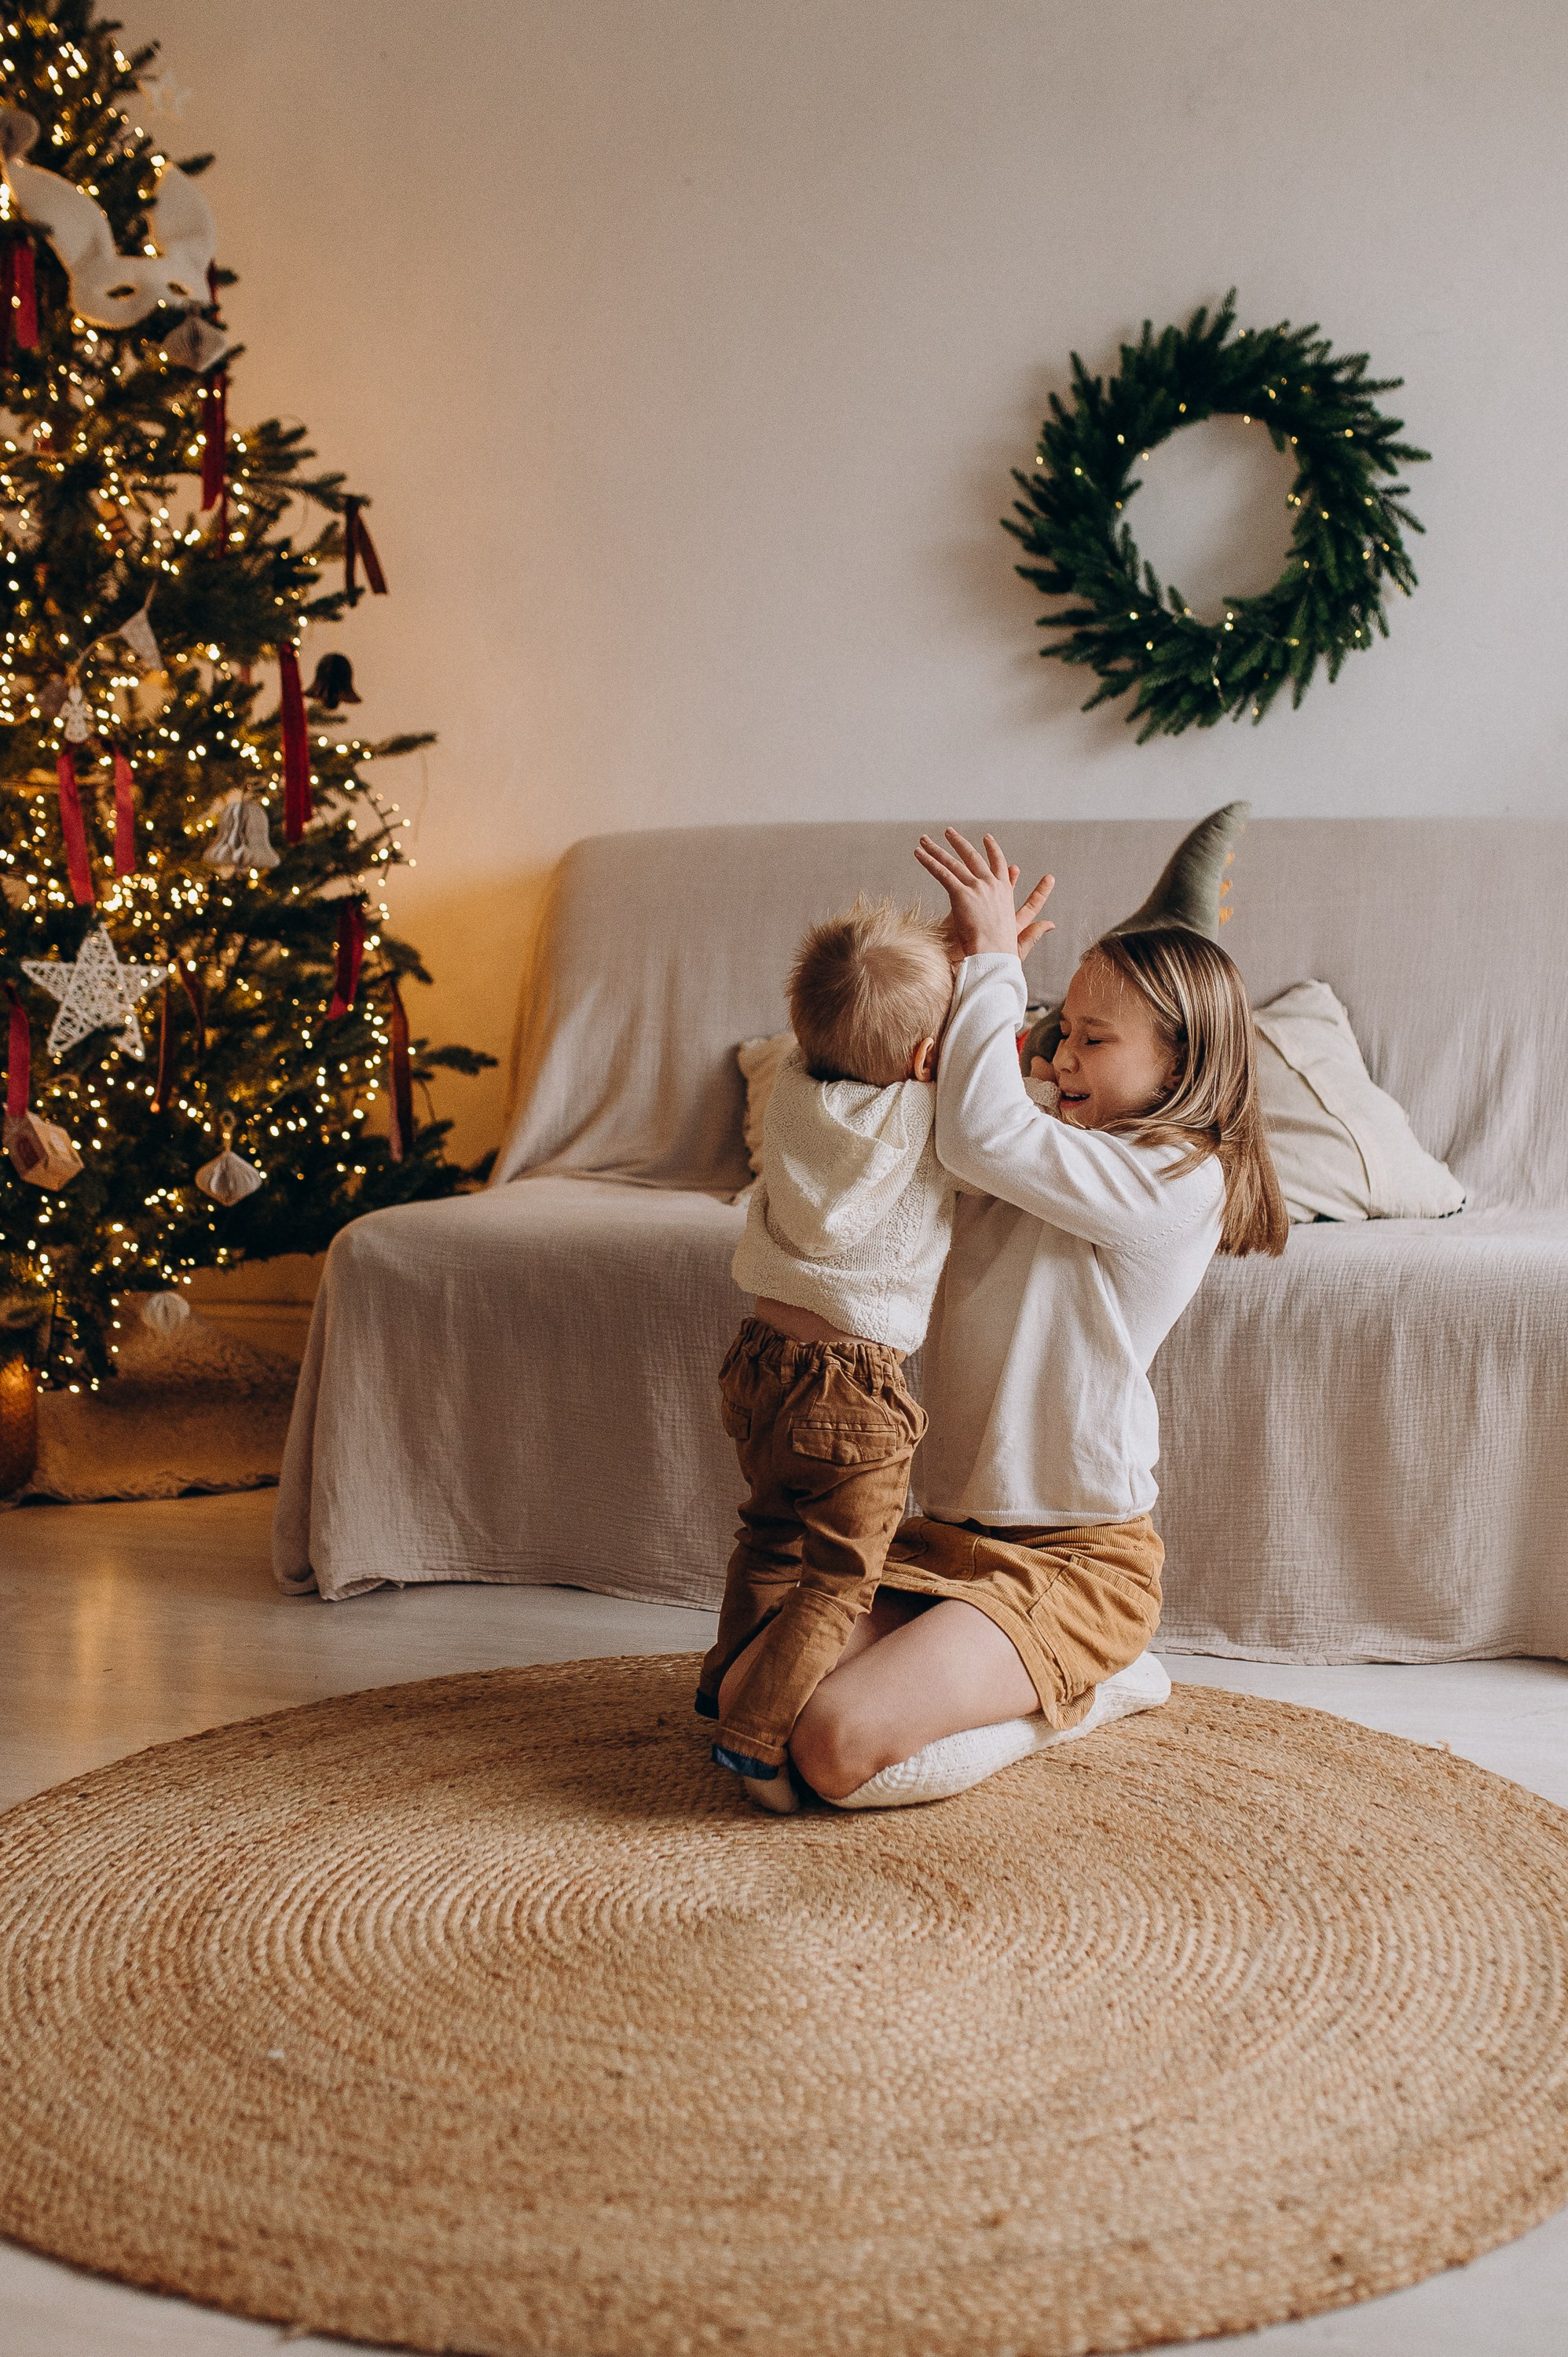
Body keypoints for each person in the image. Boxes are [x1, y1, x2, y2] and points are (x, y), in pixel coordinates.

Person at [786, 826, 1288, 1810]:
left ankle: (1094, 1688)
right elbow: (898, 1088)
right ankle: (1027, 1675)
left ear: (1180, 1063)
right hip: (943, 1536)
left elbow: (979, 1132)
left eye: (1095, 1039)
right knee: (751, 1706)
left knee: (832, 1749)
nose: (1061, 1053)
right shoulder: (1043, 1125)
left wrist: (997, 966)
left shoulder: (1176, 1177)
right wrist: (955, 976)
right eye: (1062, 1032)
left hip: (1075, 1557)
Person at [695, 896, 958, 1812]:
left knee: (765, 1537)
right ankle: (755, 1743)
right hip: (853, 1387)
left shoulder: (794, 1091)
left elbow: (865, 1011)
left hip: (759, 1361)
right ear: (925, 1059)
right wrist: (987, 974)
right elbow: (1009, 1109)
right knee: (840, 1580)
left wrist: (936, 962)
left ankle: (720, 1690)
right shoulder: (929, 1114)